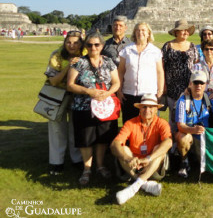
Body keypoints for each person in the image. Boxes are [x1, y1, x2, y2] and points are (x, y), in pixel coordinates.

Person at [67, 32, 120, 185]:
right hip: (83, 106)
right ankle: (87, 168)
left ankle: (101, 165)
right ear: (86, 46)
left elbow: (116, 82)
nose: (93, 48)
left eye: (97, 44)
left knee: (102, 138)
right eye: (89, 45)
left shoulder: (109, 62)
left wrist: (108, 93)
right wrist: (88, 91)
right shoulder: (79, 62)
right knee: (86, 139)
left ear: (102, 46)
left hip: (105, 106)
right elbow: (70, 84)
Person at [111, 94, 172, 205]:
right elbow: (115, 144)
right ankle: (142, 183)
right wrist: (128, 158)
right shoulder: (130, 123)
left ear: (156, 109)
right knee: (122, 149)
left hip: (152, 165)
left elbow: (169, 142)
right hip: (133, 165)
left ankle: (134, 187)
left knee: (160, 148)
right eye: (144, 107)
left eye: (151, 107)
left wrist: (148, 159)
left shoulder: (162, 123)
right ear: (139, 108)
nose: (147, 110)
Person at [43, 30, 85, 175]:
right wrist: (69, 66)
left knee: (76, 128)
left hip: (77, 96)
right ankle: (56, 162)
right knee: (56, 128)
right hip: (58, 95)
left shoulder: (85, 54)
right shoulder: (57, 55)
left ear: (81, 43)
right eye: (68, 42)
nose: (71, 46)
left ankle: (77, 159)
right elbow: (53, 80)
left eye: (75, 42)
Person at [175, 71, 213, 178]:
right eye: (196, 82)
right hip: (189, 136)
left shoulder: (209, 99)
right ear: (190, 84)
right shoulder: (183, 100)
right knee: (182, 137)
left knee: (209, 166)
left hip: (204, 139)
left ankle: (197, 158)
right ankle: (184, 163)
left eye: (201, 83)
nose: (198, 85)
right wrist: (193, 130)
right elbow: (180, 126)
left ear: (206, 85)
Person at [118, 22, 164, 124]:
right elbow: (120, 71)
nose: (140, 32)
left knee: (148, 123)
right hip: (129, 92)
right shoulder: (126, 50)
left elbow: (160, 72)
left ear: (148, 33)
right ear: (134, 33)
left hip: (148, 94)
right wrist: (119, 90)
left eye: (143, 30)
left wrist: (160, 91)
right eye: (138, 30)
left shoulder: (155, 51)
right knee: (129, 123)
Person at [161, 19, 199, 131]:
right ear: (176, 32)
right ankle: (173, 144)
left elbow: (196, 66)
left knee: (188, 115)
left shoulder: (192, 46)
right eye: (183, 30)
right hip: (172, 86)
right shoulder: (168, 46)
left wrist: (193, 85)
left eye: (187, 30)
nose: (186, 32)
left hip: (188, 86)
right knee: (173, 117)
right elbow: (161, 66)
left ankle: (187, 143)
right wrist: (163, 85)